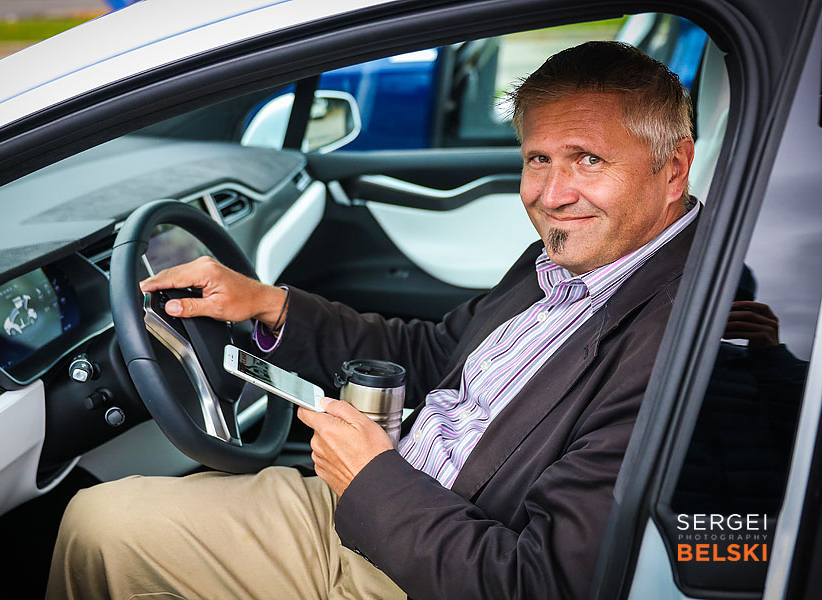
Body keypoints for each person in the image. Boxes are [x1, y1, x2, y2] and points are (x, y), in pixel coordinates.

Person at [46, 41, 698, 600]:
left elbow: (536, 583)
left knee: (99, 526)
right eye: (537, 158)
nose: (551, 195)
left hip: (416, 555)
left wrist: (371, 479)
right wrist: (269, 304)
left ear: (672, 171)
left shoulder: (682, 340)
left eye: (587, 159)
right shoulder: (563, 263)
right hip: (387, 497)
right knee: (103, 522)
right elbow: (431, 353)